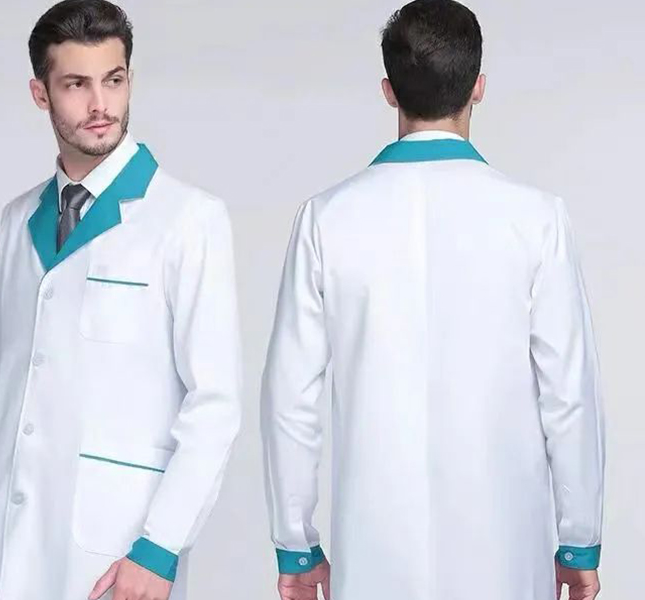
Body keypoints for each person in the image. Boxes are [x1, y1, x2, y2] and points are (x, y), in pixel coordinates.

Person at [259, 1, 605, 599]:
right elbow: (570, 395)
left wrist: (297, 544)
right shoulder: (537, 220)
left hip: (374, 554)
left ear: (389, 92)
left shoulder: (326, 219)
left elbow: (290, 397)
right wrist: (579, 541)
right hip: (504, 554)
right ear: (479, 87)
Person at [0, 2, 241, 599]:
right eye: (76, 84)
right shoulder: (18, 221)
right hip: (13, 551)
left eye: (113, 80)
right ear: (40, 94)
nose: (100, 104)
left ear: (130, 79)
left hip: (117, 559)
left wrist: (159, 548)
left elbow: (214, 406)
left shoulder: (189, 220)